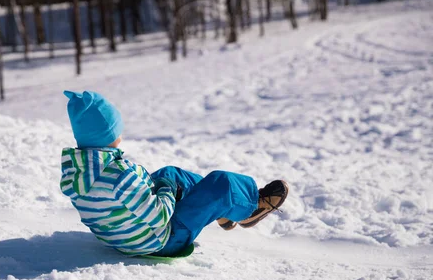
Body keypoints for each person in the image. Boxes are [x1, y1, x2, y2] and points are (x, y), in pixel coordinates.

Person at [60, 90, 289, 257]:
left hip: (123, 236)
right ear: (107, 134)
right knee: (223, 184)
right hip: (161, 238)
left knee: (169, 173)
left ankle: (224, 211)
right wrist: (166, 190)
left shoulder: (80, 173)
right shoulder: (117, 175)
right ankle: (249, 208)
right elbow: (158, 216)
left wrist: (162, 185)